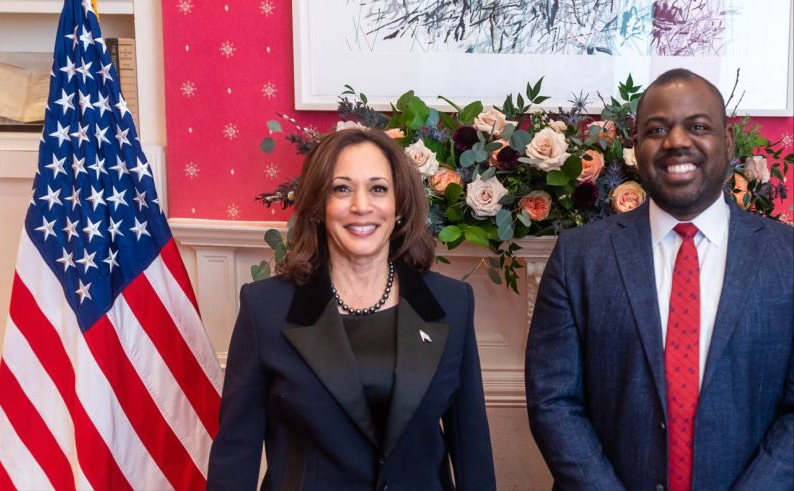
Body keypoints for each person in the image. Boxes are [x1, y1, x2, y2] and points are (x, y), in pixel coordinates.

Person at [525, 68, 793, 490]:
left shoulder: (787, 257)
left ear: (727, 142)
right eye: (656, 129)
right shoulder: (579, 256)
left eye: (698, 126)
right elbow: (552, 400)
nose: (676, 142)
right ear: (636, 147)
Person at [207, 128, 496, 490]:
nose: (361, 206)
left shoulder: (452, 303)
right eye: (342, 189)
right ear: (318, 206)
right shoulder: (264, 309)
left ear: (400, 204)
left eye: (378, 189)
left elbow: (472, 450)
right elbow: (236, 455)